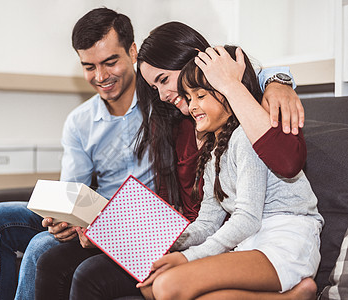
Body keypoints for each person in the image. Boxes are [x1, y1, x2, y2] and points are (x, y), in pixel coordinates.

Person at [35, 20, 308, 300]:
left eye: (164, 80)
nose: (163, 96)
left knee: (89, 275)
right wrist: (112, 231)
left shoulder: (239, 118)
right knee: (49, 260)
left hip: (232, 240)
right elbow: (186, 211)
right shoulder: (175, 124)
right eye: (155, 87)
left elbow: (283, 165)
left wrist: (278, 80)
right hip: (185, 234)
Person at [0, 7, 155, 300]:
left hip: (136, 221)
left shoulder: (165, 105)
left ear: (133, 52)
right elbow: (71, 193)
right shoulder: (80, 121)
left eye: (110, 62)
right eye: (89, 66)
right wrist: (62, 218)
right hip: (92, 210)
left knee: (42, 246)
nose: (101, 76)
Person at [137, 45, 323, 300]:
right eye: (189, 98)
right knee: (150, 286)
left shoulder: (247, 136)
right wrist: (170, 241)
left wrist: (187, 258)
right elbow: (207, 223)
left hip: (284, 240)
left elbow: (248, 218)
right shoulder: (214, 151)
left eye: (200, 96)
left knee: (167, 286)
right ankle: (293, 297)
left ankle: (292, 296)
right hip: (250, 241)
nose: (192, 106)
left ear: (227, 92)